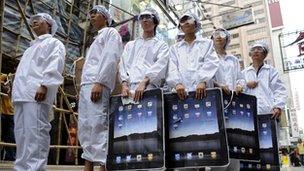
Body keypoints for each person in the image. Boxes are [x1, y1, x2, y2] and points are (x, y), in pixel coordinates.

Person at [12, 13, 65, 170]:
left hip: (36, 94)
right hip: (21, 94)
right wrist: (14, 89)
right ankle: (21, 168)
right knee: (21, 135)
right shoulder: (30, 48)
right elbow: (22, 72)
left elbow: (55, 64)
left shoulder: (54, 43)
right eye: (32, 21)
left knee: (36, 134)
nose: (33, 22)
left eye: (38, 20)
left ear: (48, 24)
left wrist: (45, 85)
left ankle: (36, 168)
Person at [78, 5, 123, 171]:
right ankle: (88, 164)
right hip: (87, 84)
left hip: (97, 83)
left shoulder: (111, 33)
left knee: (98, 123)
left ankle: (103, 166)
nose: (91, 17)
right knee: (85, 125)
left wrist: (100, 82)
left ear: (105, 17)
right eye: (90, 14)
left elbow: (110, 58)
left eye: (95, 13)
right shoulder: (96, 38)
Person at [119, 8, 169, 101]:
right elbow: (123, 64)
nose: (144, 20)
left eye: (148, 17)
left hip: (149, 87)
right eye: (142, 18)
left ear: (155, 22)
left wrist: (144, 82)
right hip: (129, 89)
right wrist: (124, 84)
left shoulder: (161, 45)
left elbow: (161, 65)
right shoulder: (131, 45)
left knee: (148, 114)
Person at [166, 13, 219, 100]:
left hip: (204, 90)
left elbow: (211, 62)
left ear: (196, 24)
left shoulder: (207, 43)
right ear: (180, 27)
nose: (186, 22)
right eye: (183, 21)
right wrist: (177, 84)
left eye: (189, 20)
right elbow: (172, 68)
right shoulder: (174, 49)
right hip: (182, 93)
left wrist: (203, 81)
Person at [242, 41, 287, 118]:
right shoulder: (244, 73)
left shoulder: (271, 71)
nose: (256, 51)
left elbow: (280, 90)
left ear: (265, 54)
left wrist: (278, 106)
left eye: (259, 49)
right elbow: (237, 91)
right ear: (250, 54)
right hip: (249, 116)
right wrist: (246, 85)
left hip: (269, 114)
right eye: (253, 49)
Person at [211, 28, 244, 95]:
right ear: (212, 40)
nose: (219, 37)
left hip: (233, 95)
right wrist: (218, 85)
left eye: (222, 35)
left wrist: (240, 85)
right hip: (216, 95)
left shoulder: (233, 59)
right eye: (216, 35)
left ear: (226, 40)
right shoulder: (209, 58)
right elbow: (206, 78)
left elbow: (240, 78)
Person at [0, 73, 15, 161]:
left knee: (10, 137)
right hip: (2, 111)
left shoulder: (7, 76)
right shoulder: (3, 77)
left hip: (10, 112)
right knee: (2, 136)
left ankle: (10, 158)